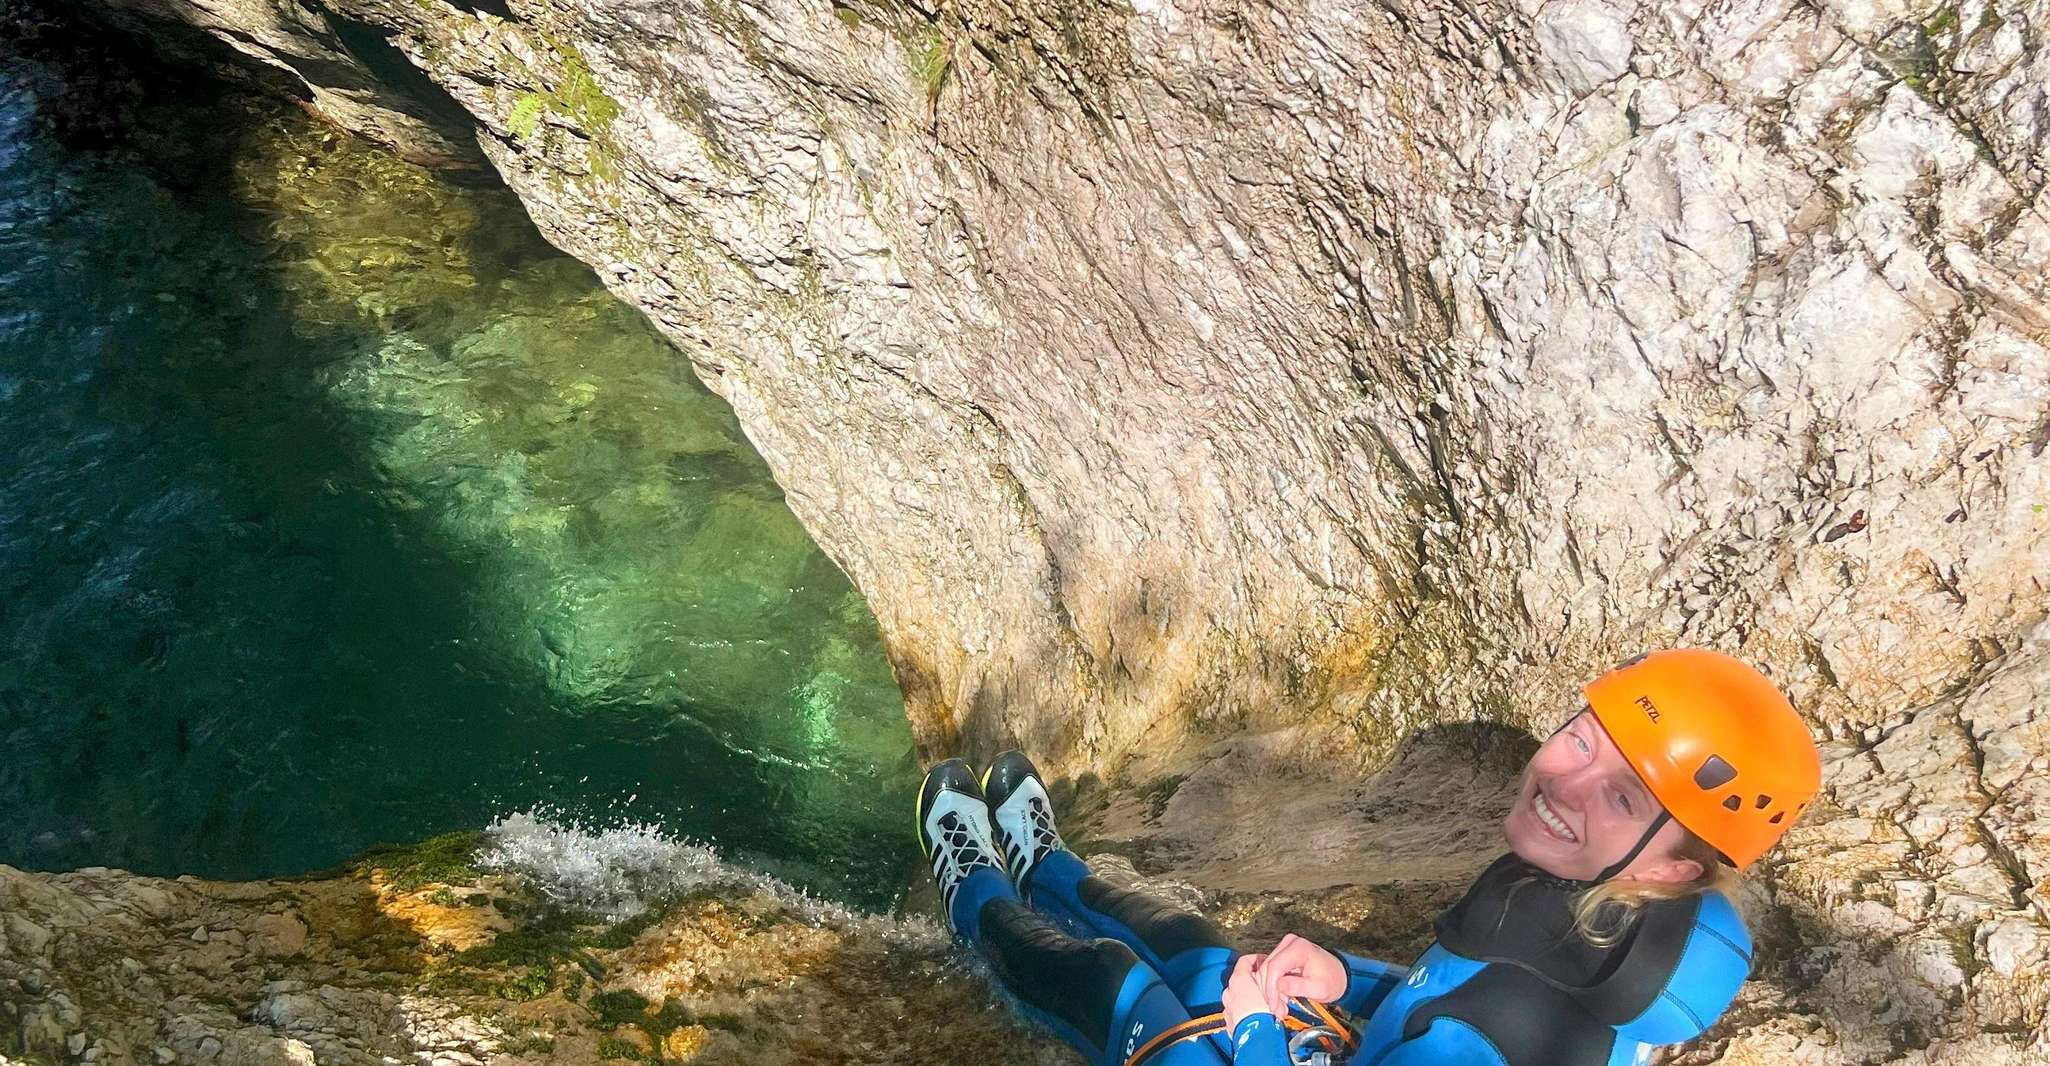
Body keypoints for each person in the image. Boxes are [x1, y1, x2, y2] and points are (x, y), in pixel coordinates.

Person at [914, 648, 1822, 1066]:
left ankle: (977, 892)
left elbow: (1468, 1026)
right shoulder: (1600, 920)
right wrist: (1350, 979)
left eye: (1623, 796)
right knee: (1199, 943)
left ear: (1674, 867)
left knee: (1120, 984)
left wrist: (1259, 1035)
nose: (1563, 779)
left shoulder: (1512, 1039)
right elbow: (1446, 994)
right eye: (1583, 739)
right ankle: (1047, 867)